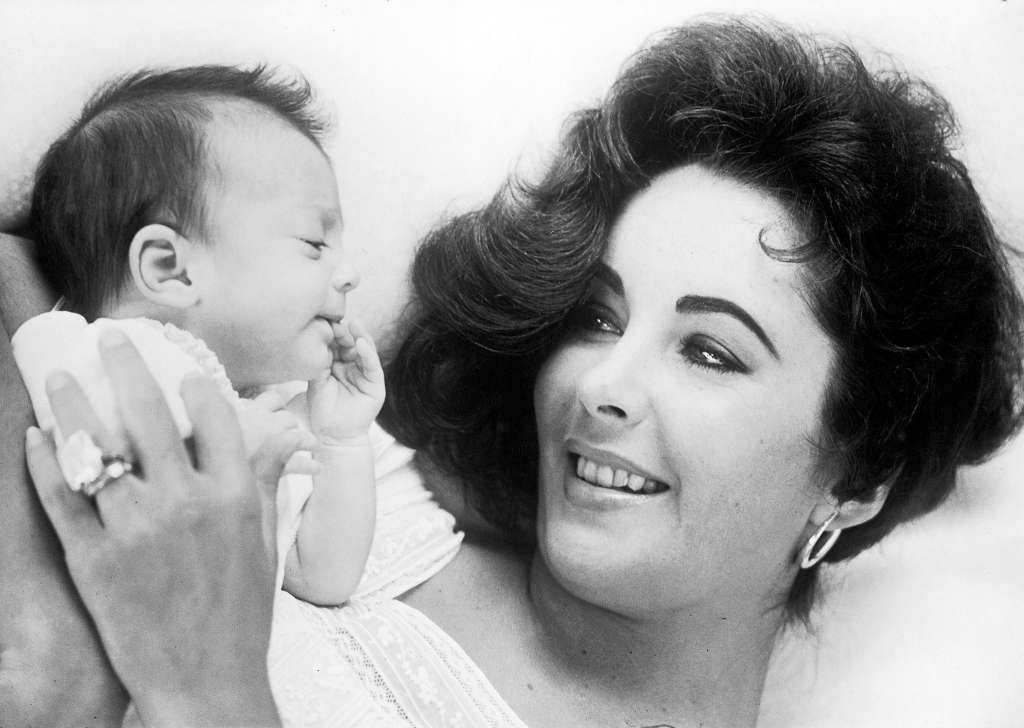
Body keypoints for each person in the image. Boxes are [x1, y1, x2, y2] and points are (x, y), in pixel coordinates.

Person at [9, 14, 1024, 728]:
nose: (600, 385)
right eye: (597, 315)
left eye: (710, 349)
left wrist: (202, 688)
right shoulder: (369, 491)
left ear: (857, 474)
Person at [14, 65, 390, 606]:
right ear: (171, 269)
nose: (350, 272)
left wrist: (342, 438)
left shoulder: (264, 405)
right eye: (314, 241)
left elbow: (324, 577)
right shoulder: (108, 353)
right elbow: (102, 480)